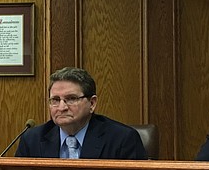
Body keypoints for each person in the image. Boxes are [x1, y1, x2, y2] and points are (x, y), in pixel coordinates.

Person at [15, 67, 147, 159]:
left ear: (92, 103)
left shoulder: (122, 139)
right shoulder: (32, 140)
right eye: (55, 100)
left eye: (71, 99)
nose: (62, 107)